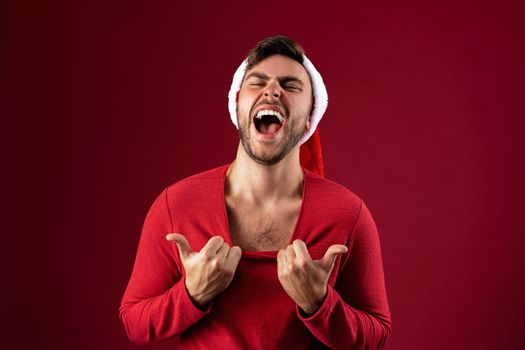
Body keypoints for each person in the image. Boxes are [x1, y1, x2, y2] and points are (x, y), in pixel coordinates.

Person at [119, 35, 392, 349]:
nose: (272, 89)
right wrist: (191, 294)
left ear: (309, 120)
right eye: (258, 81)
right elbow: (134, 321)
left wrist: (319, 304)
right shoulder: (176, 204)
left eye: (290, 86)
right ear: (237, 105)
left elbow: (377, 334)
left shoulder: (347, 214)